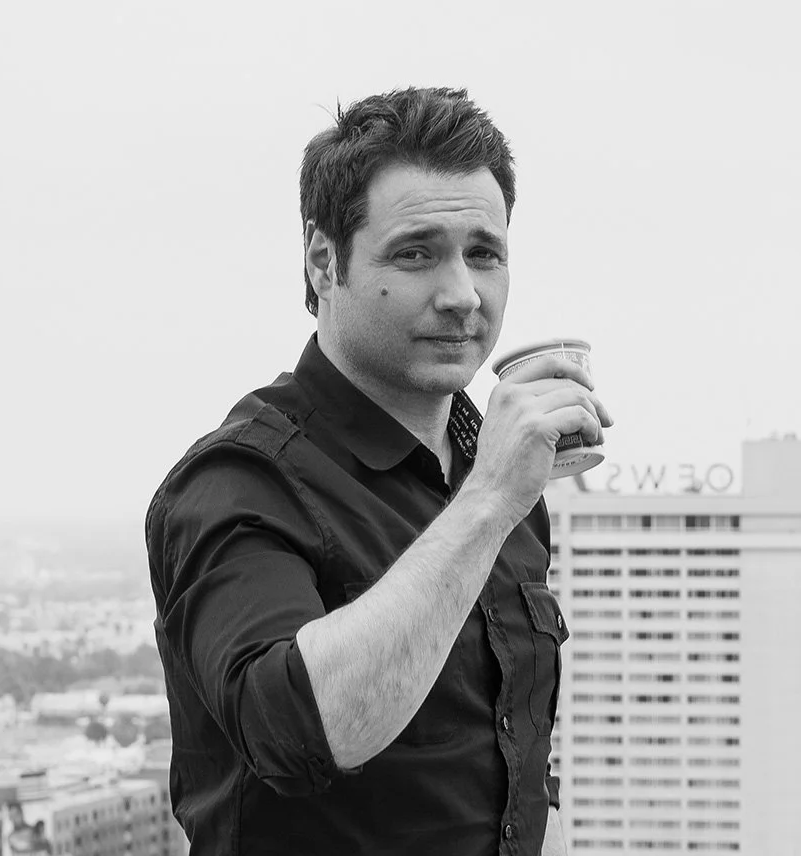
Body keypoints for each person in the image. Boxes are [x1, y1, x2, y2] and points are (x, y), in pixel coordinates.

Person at [146, 86, 611, 856]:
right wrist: (490, 499)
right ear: (323, 261)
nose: (462, 295)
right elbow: (297, 734)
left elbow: (517, 765)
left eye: (483, 253)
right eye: (416, 253)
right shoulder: (239, 481)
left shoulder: (492, 472)